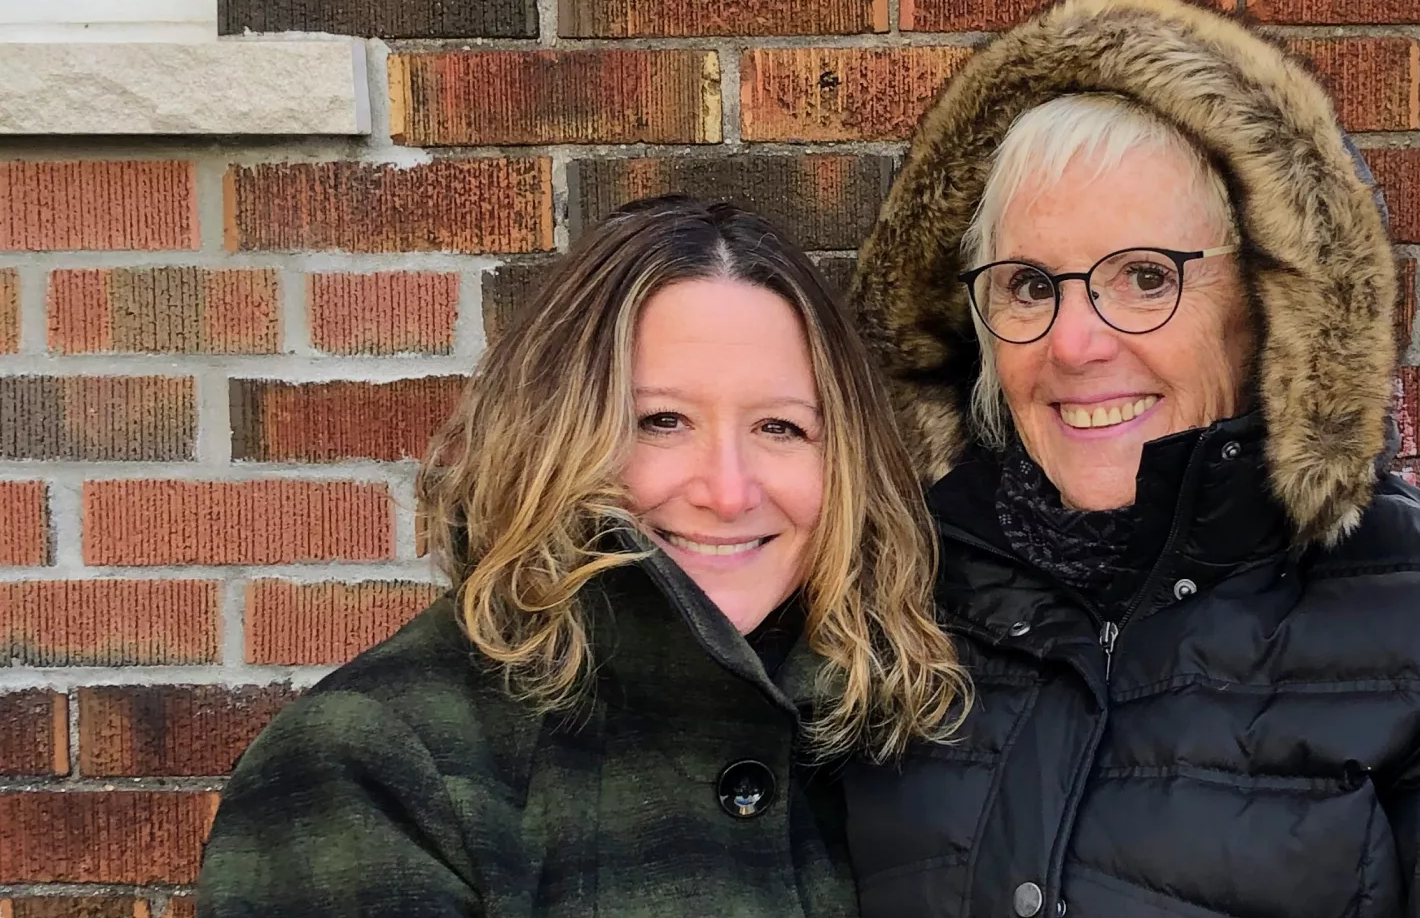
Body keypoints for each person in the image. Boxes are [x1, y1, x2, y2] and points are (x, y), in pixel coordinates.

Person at [842, 0, 1420, 918]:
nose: (1074, 344)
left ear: (1271, 305)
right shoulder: (884, 606)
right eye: (1031, 284)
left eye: (1147, 275)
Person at [197, 196, 969, 917]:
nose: (729, 492)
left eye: (780, 428)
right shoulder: (377, 765)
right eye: (661, 421)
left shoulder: (899, 724)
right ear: (554, 436)